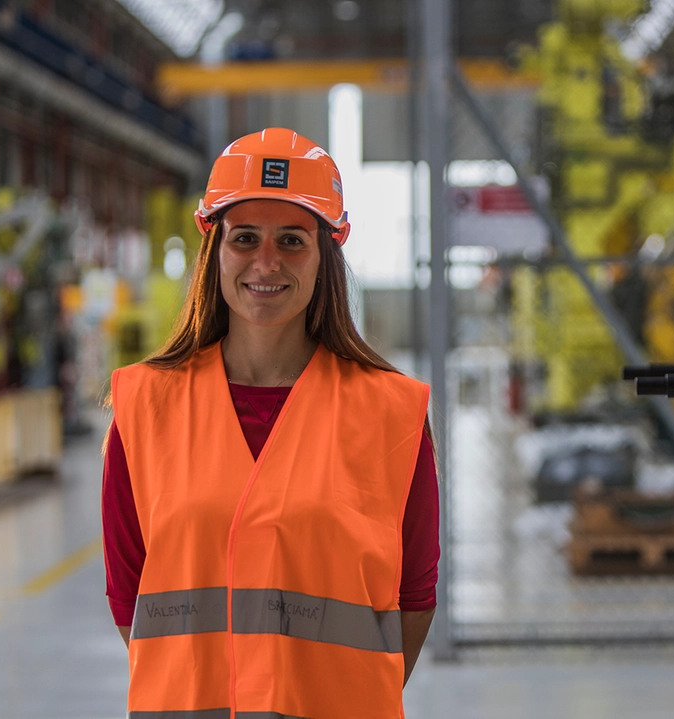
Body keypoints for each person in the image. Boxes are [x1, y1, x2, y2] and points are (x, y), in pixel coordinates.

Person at [101, 128, 439, 718]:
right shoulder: (147, 406)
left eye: (292, 240)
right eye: (246, 238)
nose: (266, 262)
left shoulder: (390, 413)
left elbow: (414, 598)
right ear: (215, 248)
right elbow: (130, 596)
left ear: (326, 255)